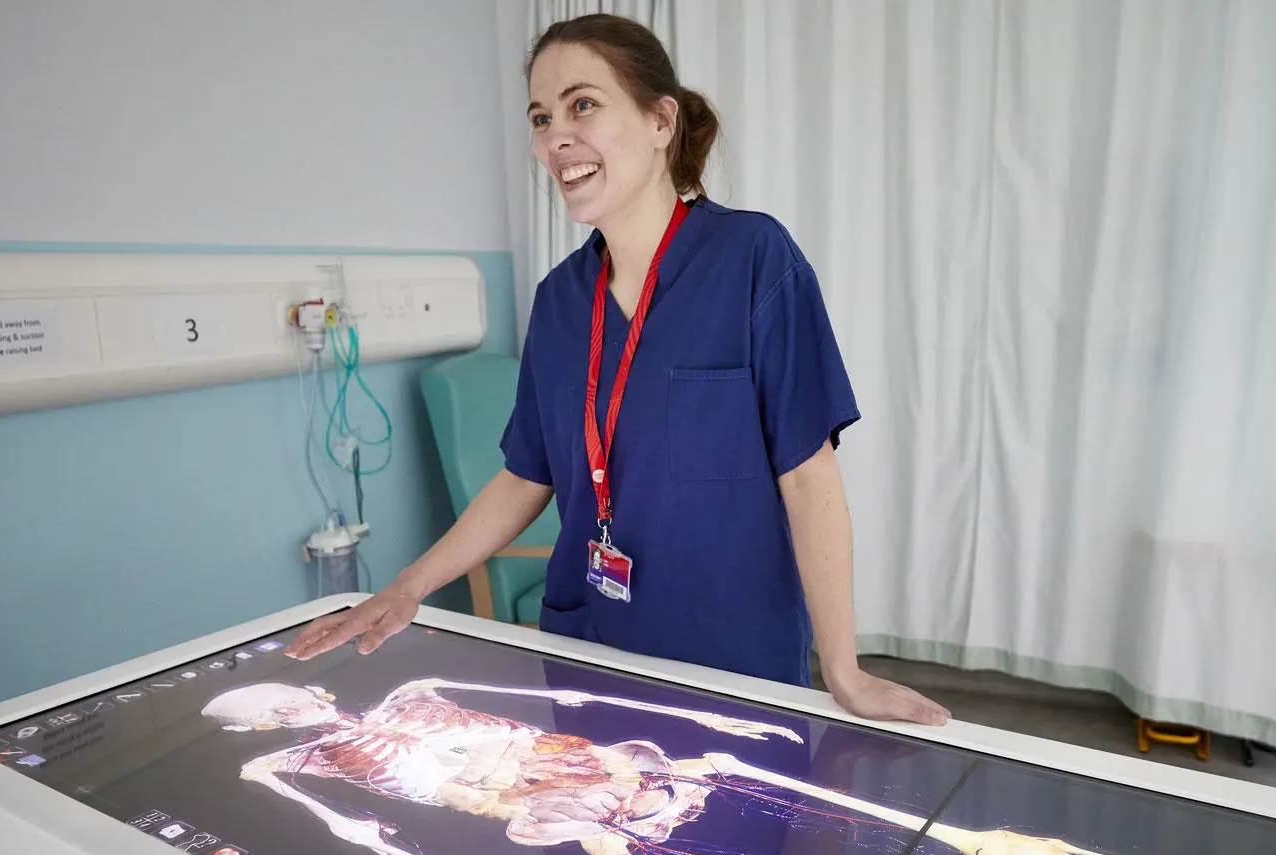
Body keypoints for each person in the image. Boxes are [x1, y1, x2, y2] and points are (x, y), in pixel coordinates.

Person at [288, 14, 948, 728]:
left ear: (661, 120)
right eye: (541, 118)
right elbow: (525, 476)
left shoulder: (754, 260)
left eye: (582, 105)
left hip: (733, 659)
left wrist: (843, 670)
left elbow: (807, 472)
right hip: (589, 653)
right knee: (583, 834)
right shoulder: (560, 302)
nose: (555, 138)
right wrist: (407, 586)